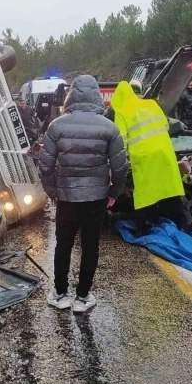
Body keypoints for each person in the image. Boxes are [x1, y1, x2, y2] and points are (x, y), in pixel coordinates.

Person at [39, 75, 129, 313]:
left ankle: (59, 294)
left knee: (64, 244)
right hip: (97, 197)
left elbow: (45, 165)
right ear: (97, 95)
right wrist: (113, 192)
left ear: (72, 95)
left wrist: (52, 192)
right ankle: (82, 297)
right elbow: (120, 166)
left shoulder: (56, 126)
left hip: (67, 197)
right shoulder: (109, 127)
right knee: (91, 246)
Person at [110, 81, 185, 235]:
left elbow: (121, 140)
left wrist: (116, 160)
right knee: (170, 189)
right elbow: (166, 125)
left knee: (145, 193)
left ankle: (142, 228)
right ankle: (181, 224)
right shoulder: (151, 103)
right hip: (165, 152)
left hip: (143, 157)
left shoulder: (122, 111)